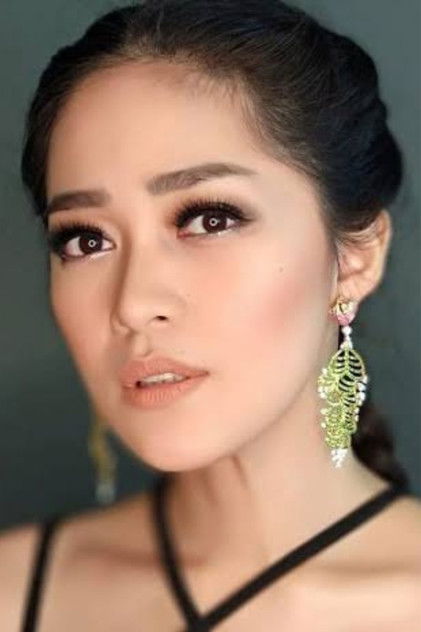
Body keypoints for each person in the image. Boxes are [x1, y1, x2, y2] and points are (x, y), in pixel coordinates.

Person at [1, 0, 420, 630]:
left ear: (355, 257)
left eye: (209, 219)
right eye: (86, 240)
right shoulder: (12, 594)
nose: (133, 304)